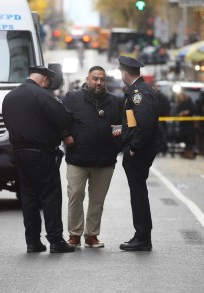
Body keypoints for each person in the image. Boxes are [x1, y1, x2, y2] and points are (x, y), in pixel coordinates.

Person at [2, 66, 75, 253]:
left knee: (29, 198)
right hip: (41, 154)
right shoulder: (42, 95)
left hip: (19, 153)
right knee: (50, 196)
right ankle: (56, 241)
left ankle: (33, 242)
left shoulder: (10, 97)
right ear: (44, 80)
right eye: (48, 83)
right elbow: (64, 118)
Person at [62, 66, 123, 248]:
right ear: (87, 79)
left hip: (104, 161)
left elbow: (122, 126)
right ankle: (74, 234)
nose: (98, 82)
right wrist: (66, 136)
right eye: (95, 78)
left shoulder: (115, 101)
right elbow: (60, 120)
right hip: (77, 159)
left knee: (97, 201)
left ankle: (91, 235)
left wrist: (116, 146)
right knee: (75, 196)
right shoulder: (73, 99)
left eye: (102, 79)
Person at [113, 56, 161, 251]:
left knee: (138, 194)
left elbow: (145, 124)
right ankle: (141, 234)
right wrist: (123, 128)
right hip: (138, 149)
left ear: (124, 72)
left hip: (138, 152)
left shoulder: (138, 92)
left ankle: (142, 236)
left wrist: (133, 147)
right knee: (138, 193)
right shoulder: (138, 89)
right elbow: (134, 122)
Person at [175, 91, 195, 159]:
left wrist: (186, 112)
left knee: (189, 139)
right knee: (185, 139)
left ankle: (190, 153)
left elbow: (192, 109)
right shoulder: (179, 103)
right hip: (182, 124)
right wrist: (180, 114)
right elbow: (177, 112)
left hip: (189, 123)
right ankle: (186, 153)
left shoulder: (188, 101)